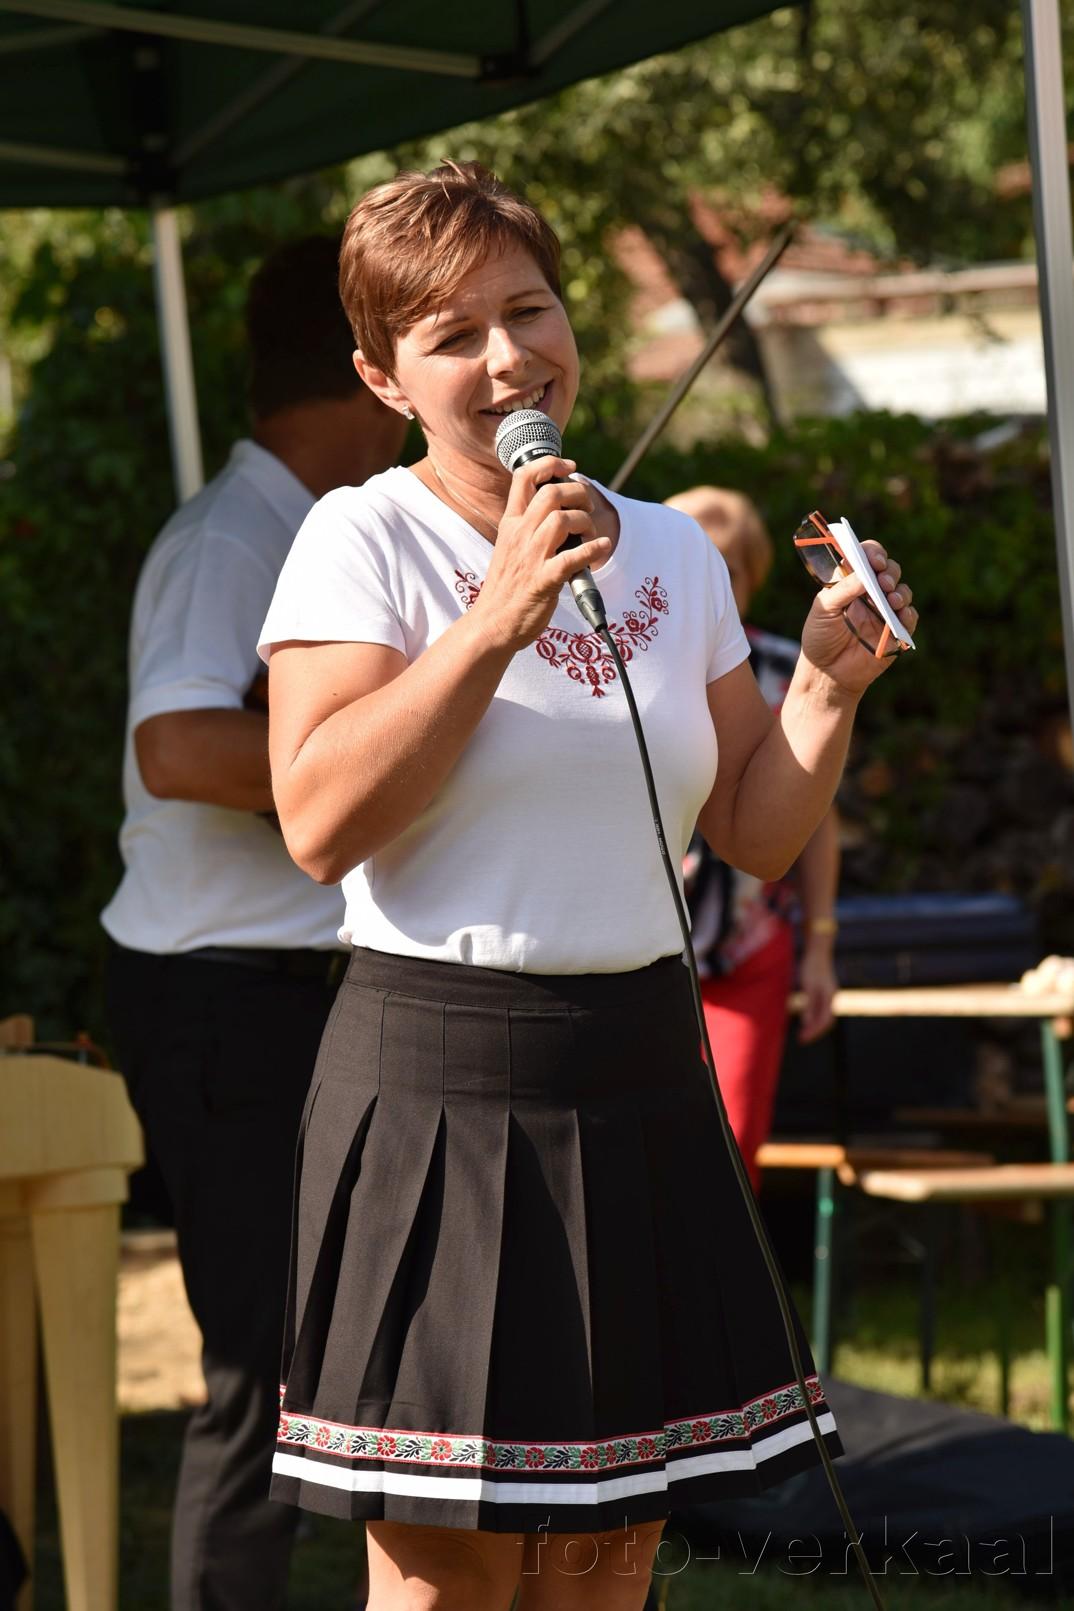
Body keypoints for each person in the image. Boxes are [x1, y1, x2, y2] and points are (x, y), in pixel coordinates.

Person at [258, 162, 918, 1610]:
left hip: (639, 1079)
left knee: (603, 1566)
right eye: (452, 335)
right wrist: (494, 615)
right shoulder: (362, 537)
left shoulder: (672, 548)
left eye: (529, 309)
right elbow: (315, 820)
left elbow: (750, 832)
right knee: (447, 1578)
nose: (508, 357)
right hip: (442, 1086)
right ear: (382, 377)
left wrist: (825, 683)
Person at [101, 236, 406, 1611]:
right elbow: (174, 746)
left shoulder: (305, 525)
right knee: (265, 1373)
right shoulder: (237, 535)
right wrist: (390, 758)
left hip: (281, 991)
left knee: (328, 1362)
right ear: (367, 367)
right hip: (226, 997)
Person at [666, 485, 840, 1190]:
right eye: (696, 562)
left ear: (751, 578)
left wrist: (820, 947)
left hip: (746, 948)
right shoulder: (626, 660)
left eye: (727, 568)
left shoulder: (789, 669)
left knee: (733, 1145)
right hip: (644, 952)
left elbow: (817, 818)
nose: (711, 581)